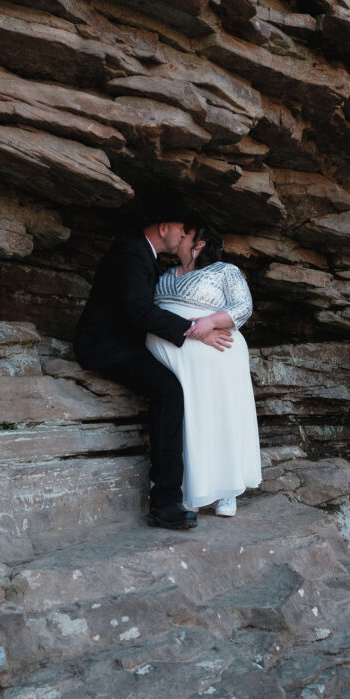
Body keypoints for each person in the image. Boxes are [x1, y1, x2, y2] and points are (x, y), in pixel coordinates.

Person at [73, 207, 232, 531]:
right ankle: (165, 501)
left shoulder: (146, 258)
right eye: (182, 229)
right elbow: (140, 312)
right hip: (105, 347)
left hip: (124, 343)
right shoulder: (131, 253)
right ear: (164, 227)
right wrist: (196, 331)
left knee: (172, 387)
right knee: (168, 391)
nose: (184, 236)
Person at [146, 225, 261, 517]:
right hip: (174, 357)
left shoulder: (225, 271)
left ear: (199, 244)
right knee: (186, 420)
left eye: (186, 235)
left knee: (218, 417)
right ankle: (192, 487)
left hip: (216, 354)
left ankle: (229, 491)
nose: (179, 238)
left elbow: (243, 306)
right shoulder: (166, 273)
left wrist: (210, 322)